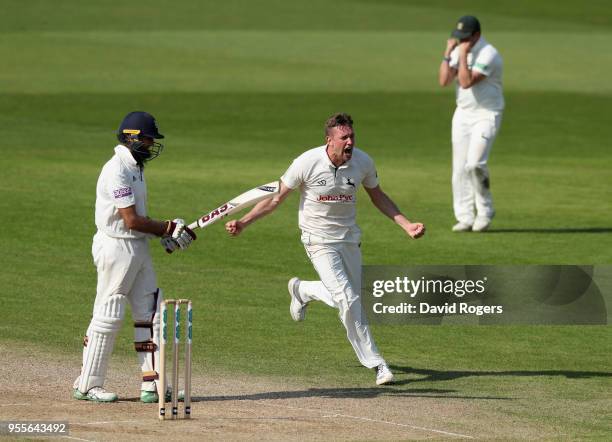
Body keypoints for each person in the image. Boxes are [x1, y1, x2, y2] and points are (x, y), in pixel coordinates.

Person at [225, 113, 425, 385]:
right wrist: (244, 222)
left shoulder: (363, 162)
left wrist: (405, 224)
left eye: (352, 136)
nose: (350, 142)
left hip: (349, 239)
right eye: (344, 137)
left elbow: (378, 196)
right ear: (329, 141)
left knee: (352, 299)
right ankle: (377, 363)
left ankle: (303, 290)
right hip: (318, 240)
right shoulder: (306, 162)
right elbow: (275, 199)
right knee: (347, 298)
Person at [73, 111, 197, 402]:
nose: (152, 144)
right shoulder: (116, 169)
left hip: (137, 246)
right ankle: (87, 384)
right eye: (148, 138)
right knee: (109, 313)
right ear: (132, 137)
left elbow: (140, 220)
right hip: (116, 247)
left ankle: (152, 385)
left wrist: (164, 233)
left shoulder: (135, 166)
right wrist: (167, 227)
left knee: (152, 314)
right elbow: (129, 220)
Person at [439, 15, 504, 232]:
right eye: (460, 38)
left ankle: (485, 211)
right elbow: (444, 81)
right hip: (463, 114)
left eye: (466, 38)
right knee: (459, 169)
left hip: (486, 114)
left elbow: (465, 82)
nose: (462, 41)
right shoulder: (459, 50)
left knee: (475, 164)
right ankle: (465, 217)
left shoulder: (489, 54)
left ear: (477, 35)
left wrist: (464, 53)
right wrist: (448, 53)